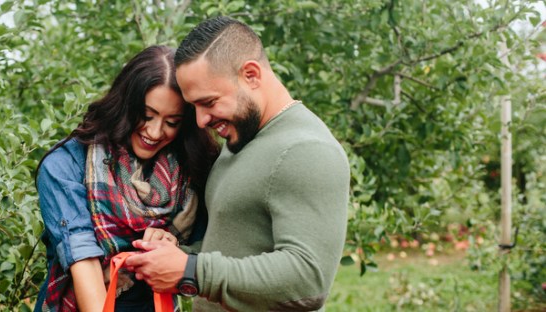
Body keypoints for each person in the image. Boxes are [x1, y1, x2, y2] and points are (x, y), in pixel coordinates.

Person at [124, 17, 350, 311]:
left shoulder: (307, 150)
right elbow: (233, 250)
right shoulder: (241, 138)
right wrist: (177, 255)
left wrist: (191, 270)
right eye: (194, 107)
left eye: (209, 102)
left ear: (251, 75)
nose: (201, 120)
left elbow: (308, 281)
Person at [34, 45, 220, 312]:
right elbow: (82, 260)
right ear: (125, 105)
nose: (155, 133)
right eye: (146, 116)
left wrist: (171, 247)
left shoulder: (189, 170)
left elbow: (207, 257)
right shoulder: (67, 165)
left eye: (172, 122)